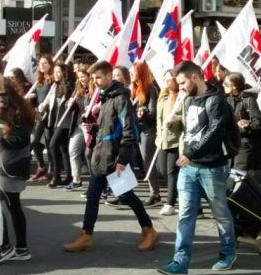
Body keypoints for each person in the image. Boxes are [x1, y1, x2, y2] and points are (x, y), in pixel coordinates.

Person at [63, 61, 158, 253]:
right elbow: (109, 127)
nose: (95, 82)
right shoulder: (105, 97)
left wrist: (122, 160)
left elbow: (129, 131)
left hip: (114, 159)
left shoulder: (121, 98)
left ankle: (149, 230)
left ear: (108, 76)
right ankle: (86, 235)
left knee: (126, 196)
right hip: (101, 156)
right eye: (93, 78)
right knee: (92, 196)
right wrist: (94, 126)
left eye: (98, 77)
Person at [157, 61, 237, 275]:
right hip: (189, 168)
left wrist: (189, 154)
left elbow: (214, 132)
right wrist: (173, 123)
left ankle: (228, 253)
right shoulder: (189, 99)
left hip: (212, 167)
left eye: (182, 83)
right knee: (185, 215)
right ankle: (180, 261)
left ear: (195, 78)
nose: (180, 87)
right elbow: (192, 127)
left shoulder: (216, 101)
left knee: (220, 213)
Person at [0, 75, 34, 265]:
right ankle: (15, 247)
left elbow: (19, 140)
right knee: (8, 206)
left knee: (8, 206)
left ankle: (11, 247)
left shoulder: (18, 113)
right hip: (6, 165)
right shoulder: (9, 111)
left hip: (12, 166)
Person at [223, 72, 261, 187]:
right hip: (233, 141)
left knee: (239, 173)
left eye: (226, 83)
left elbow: (258, 123)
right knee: (253, 161)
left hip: (246, 142)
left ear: (234, 86)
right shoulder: (228, 99)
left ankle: (249, 199)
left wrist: (247, 125)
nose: (223, 85)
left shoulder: (249, 100)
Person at [131, 61, 160, 207]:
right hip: (135, 130)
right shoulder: (134, 89)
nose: (131, 74)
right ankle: (124, 193)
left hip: (147, 130)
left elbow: (153, 113)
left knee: (148, 162)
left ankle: (155, 193)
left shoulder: (151, 89)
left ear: (140, 73)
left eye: (133, 72)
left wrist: (143, 112)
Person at [46, 63, 78, 188]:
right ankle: (69, 175)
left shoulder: (71, 87)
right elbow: (49, 100)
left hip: (65, 121)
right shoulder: (55, 86)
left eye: (58, 72)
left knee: (53, 145)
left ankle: (56, 175)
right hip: (55, 120)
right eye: (54, 72)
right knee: (63, 148)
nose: (56, 75)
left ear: (64, 73)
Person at [156, 70, 183, 216]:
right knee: (161, 169)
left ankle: (170, 203)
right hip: (162, 140)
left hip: (175, 140)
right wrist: (157, 136)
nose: (167, 82)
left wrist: (173, 122)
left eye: (169, 79)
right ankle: (178, 195)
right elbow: (158, 120)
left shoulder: (182, 97)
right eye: (165, 79)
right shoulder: (163, 97)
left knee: (171, 171)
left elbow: (183, 119)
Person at [65, 67, 93, 191]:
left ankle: (95, 181)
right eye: (79, 77)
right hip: (78, 124)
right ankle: (76, 179)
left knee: (89, 154)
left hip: (90, 125)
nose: (81, 79)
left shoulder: (94, 89)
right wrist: (69, 103)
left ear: (88, 76)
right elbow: (70, 105)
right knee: (73, 149)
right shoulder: (78, 89)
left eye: (83, 76)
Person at [28, 55, 53, 181]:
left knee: (50, 143)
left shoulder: (52, 80)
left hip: (49, 115)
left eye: (45, 63)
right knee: (34, 141)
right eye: (41, 63)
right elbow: (37, 98)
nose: (42, 65)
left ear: (50, 65)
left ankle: (51, 170)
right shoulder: (39, 81)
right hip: (39, 116)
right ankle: (41, 167)